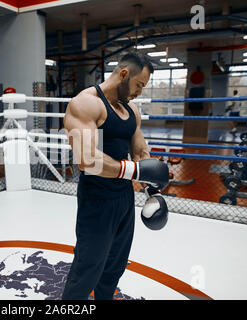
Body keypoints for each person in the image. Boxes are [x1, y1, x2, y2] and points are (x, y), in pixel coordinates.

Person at [61, 52, 169, 300]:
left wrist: (152, 190)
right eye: (139, 85)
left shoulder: (131, 110)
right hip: (96, 200)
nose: (139, 92)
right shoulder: (87, 103)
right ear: (123, 74)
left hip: (124, 199)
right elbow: (87, 160)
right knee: (87, 268)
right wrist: (135, 171)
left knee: (114, 267)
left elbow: (140, 151)